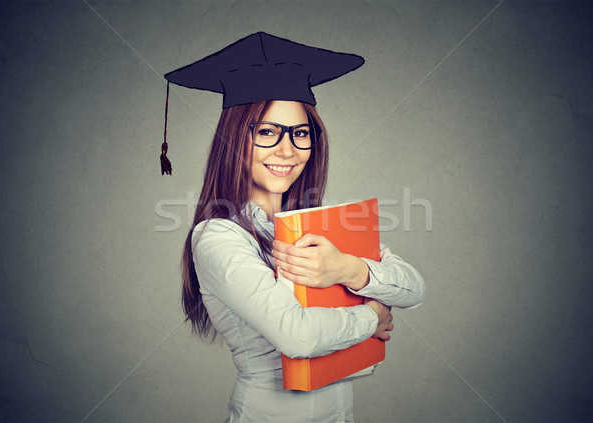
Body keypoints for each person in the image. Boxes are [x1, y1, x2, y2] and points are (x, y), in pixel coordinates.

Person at [166, 32, 426, 422]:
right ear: (235, 139)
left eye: (300, 133)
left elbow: (414, 288)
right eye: (267, 132)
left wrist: (347, 269)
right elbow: (298, 335)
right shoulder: (218, 235)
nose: (287, 150)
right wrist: (372, 315)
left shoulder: (319, 225)